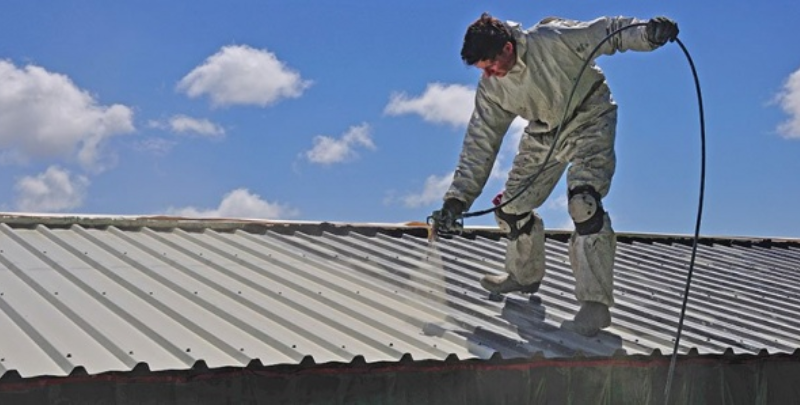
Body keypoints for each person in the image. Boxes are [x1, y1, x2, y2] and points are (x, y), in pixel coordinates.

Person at [432, 13, 679, 336]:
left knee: (584, 204)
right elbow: (480, 143)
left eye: (490, 65)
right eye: (483, 71)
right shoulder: (492, 89)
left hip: (589, 117)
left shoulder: (551, 39)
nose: (489, 74)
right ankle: (523, 275)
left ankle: (595, 304)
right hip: (544, 134)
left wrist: (647, 33)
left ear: (507, 48)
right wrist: (456, 201)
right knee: (510, 209)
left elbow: (607, 32)